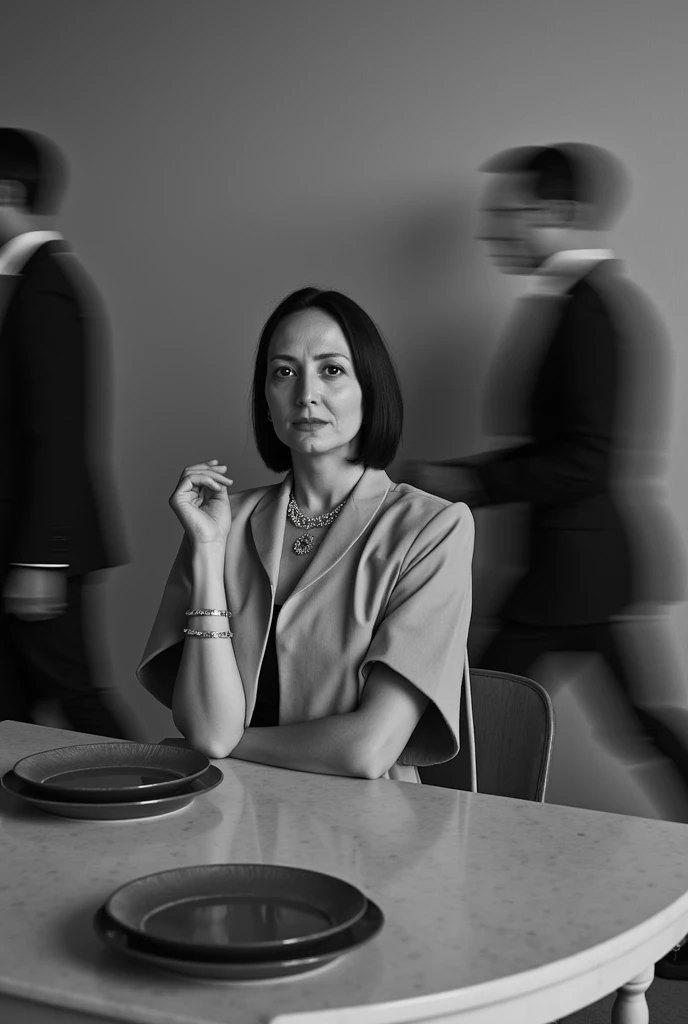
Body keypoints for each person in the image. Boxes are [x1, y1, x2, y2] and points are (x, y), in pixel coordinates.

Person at [401, 142, 688, 976]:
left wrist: (470, 478)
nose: (495, 228)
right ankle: (451, 881)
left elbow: (585, 462)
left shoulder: (591, 311)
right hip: (576, 569)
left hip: (576, 570)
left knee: (469, 712)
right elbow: (567, 450)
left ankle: (438, 886)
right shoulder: (578, 302)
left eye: (508, 211)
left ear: (555, 213)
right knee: (621, 723)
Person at [137, 287, 474, 781]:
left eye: (331, 370)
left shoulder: (433, 528)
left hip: (361, 832)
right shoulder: (221, 521)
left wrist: (231, 746)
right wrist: (208, 553)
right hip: (232, 814)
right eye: (284, 371)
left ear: (369, 389)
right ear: (266, 399)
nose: (306, 394)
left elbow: (367, 750)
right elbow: (208, 731)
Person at [0, 127, 130, 737]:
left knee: (73, 696)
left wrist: (38, 560)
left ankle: (155, 807)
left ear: (6, 191)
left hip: (40, 548)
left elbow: (58, 433)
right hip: (20, 541)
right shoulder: (26, 283)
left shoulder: (46, 288)